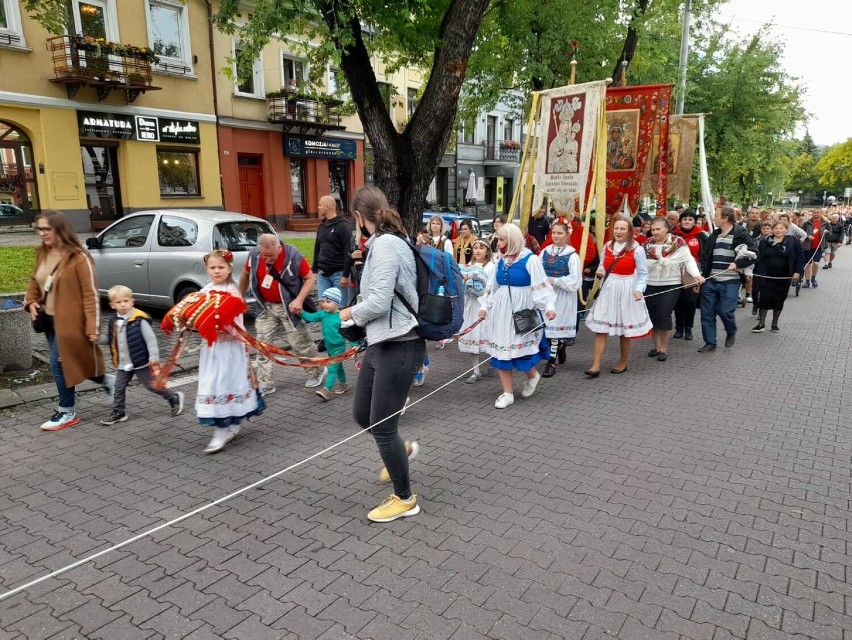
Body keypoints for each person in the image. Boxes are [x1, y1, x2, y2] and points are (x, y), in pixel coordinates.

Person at [338, 186, 426, 523]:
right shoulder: (380, 244)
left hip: (400, 343)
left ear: (360, 217)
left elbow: (378, 302)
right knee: (364, 415)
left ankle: (405, 499)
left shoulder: (387, 244)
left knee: (384, 426)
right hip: (381, 342)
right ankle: (400, 453)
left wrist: (346, 315)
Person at [24, 210, 113, 431]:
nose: (42, 233)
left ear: (60, 229)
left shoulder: (79, 258)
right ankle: (108, 381)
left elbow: (91, 294)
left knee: (57, 364)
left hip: (73, 322)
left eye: (47, 229)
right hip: (50, 320)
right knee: (75, 362)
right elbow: (36, 280)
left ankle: (67, 412)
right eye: (40, 229)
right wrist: (31, 301)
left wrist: (92, 326)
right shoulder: (43, 253)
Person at [478, 223, 556, 409]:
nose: (498, 243)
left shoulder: (530, 259)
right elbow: (492, 287)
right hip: (502, 311)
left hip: (522, 309)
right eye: (498, 239)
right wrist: (484, 307)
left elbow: (542, 285)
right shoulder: (500, 261)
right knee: (502, 351)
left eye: (502, 239)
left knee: (519, 350)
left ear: (512, 240)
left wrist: (548, 307)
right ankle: (507, 393)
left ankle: (532, 375)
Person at [239, 233, 326, 394]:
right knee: (262, 344)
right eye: (264, 256)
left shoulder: (294, 256)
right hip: (265, 306)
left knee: (300, 343)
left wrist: (299, 300)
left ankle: (316, 371)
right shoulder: (254, 256)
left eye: (271, 256)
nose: (267, 260)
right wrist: (240, 296)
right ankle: (265, 383)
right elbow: (245, 275)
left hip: (289, 307)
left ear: (279, 247)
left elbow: (309, 278)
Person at [197, 250, 264, 453]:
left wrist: (219, 326)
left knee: (225, 382)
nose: (216, 271)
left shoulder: (233, 293)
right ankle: (227, 425)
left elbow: (235, 325)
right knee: (212, 382)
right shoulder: (205, 291)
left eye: (221, 267)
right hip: (211, 348)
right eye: (212, 268)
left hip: (230, 348)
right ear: (206, 269)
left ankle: (224, 428)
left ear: (229, 269)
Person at [99, 285, 184, 425]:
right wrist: (96, 340)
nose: (123, 305)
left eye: (125, 301)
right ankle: (119, 412)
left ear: (132, 301)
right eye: (119, 302)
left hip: (140, 361)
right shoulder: (113, 321)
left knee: (151, 385)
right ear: (112, 305)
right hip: (123, 363)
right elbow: (110, 339)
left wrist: (153, 357)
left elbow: (150, 339)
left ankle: (173, 397)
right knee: (119, 387)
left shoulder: (139, 320)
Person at [584, 215, 652, 376]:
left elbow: (643, 274)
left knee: (623, 330)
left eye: (623, 229)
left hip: (627, 288)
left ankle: (623, 362)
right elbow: (602, 266)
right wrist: (599, 272)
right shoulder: (607, 246)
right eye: (616, 228)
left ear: (630, 231)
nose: (619, 231)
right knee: (601, 328)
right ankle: (595, 365)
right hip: (608, 289)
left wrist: (638, 290)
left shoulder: (637, 249)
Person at [644, 218, 704, 362]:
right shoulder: (646, 244)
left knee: (664, 314)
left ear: (666, 229)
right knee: (652, 316)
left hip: (671, 284)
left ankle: (663, 348)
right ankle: (656, 346)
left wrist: (696, 275)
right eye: (653, 230)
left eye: (658, 229)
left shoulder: (678, 243)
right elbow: (640, 264)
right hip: (650, 284)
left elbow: (688, 260)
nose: (655, 232)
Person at [698, 205, 755, 352]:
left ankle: (731, 330)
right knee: (707, 313)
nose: (713, 218)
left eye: (716, 215)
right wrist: (703, 276)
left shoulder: (741, 235)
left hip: (731, 281)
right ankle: (710, 343)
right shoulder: (713, 236)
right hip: (711, 280)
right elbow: (705, 256)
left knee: (725, 311)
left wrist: (738, 263)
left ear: (725, 218)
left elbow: (754, 254)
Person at [540, 221, 581, 377]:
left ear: (567, 235)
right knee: (548, 328)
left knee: (555, 328)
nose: (556, 236)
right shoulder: (545, 252)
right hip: (547, 295)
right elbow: (537, 270)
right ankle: (561, 346)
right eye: (554, 233)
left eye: (559, 233)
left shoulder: (572, 255)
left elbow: (576, 281)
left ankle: (551, 362)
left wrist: (555, 281)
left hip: (563, 296)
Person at [752, 220, 803, 333]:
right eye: (776, 228)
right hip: (766, 275)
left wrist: (797, 272)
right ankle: (761, 323)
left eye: (781, 228)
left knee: (779, 299)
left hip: (784, 276)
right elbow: (759, 257)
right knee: (764, 299)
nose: (778, 230)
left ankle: (774, 324)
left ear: (786, 230)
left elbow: (800, 257)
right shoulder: (765, 241)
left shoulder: (793, 241)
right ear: (773, 229)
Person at [300, 287, 348, 400]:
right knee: (338, 367)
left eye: (328, 301)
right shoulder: (323, 314)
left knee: (332, 368)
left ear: (336, 303)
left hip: (339, 348)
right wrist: (300, 312)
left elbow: (349, 332)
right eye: (323, 301)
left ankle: (326, 389)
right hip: (329, 347)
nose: (324, 304)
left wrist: (355, 344)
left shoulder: (341, 316)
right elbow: (311, 317)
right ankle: (344, 384)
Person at [457, 239, 494, 383]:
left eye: (482, 248)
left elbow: (490, 287)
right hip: (472, 305)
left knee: (488, 336)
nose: (478, 251)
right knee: (472, 336)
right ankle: (476, 370)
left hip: (485, 306)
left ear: (487, 251)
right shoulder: (469, 266)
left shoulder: (491, 266)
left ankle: (493, 361)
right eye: (476, 248)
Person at [672, 208, 709, 340]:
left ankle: (689, 328)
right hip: (675, 271)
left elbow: (706, 254)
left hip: (694, 271)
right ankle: (679, 328)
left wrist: (703, 270)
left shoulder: (701, 235)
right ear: (680, 221)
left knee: (690, 300)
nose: (687, 222)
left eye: (690, 219)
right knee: (678, 300)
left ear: (694, 221)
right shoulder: (673, 235)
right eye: (685, 219)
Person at [313, 195, 353, 307]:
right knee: (323, 306)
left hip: (339, 274)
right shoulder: (322, 225)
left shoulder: (342, 226)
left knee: (340, 308)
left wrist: (345, 275)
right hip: (323, 274)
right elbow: (318, 247)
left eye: (320, 205)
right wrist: (314, 269)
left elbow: (348, 251)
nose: (318, 207)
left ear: (328, 206)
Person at [801, 210, 823, 288]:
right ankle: (807, 281)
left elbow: (830, 233)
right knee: (807, 264)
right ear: (812, 213)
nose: (816, 214)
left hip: (818, 247)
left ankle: (813, 279)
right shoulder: (807, 223)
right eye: (814, 213)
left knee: (816, 264)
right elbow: (801, 232)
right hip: (808, 247)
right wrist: (807, 236)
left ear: (821, 214)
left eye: (818, 212)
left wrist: (827, 232)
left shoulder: (825, 223)